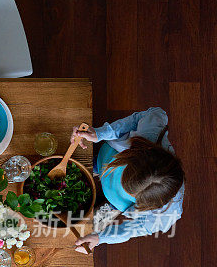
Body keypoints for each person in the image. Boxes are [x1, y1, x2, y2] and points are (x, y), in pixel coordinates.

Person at [70, 108, 184, 253]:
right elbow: (151, 113)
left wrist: (100, 238)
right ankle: (97, 167)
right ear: (137, 154)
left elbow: (135, 229)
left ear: (146, 204)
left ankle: (110, 207)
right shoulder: (152, 129)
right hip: (105, 160)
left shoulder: (166, 214)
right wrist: (101, 133)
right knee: (78, 169)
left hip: (117, 203)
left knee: (86, 226)